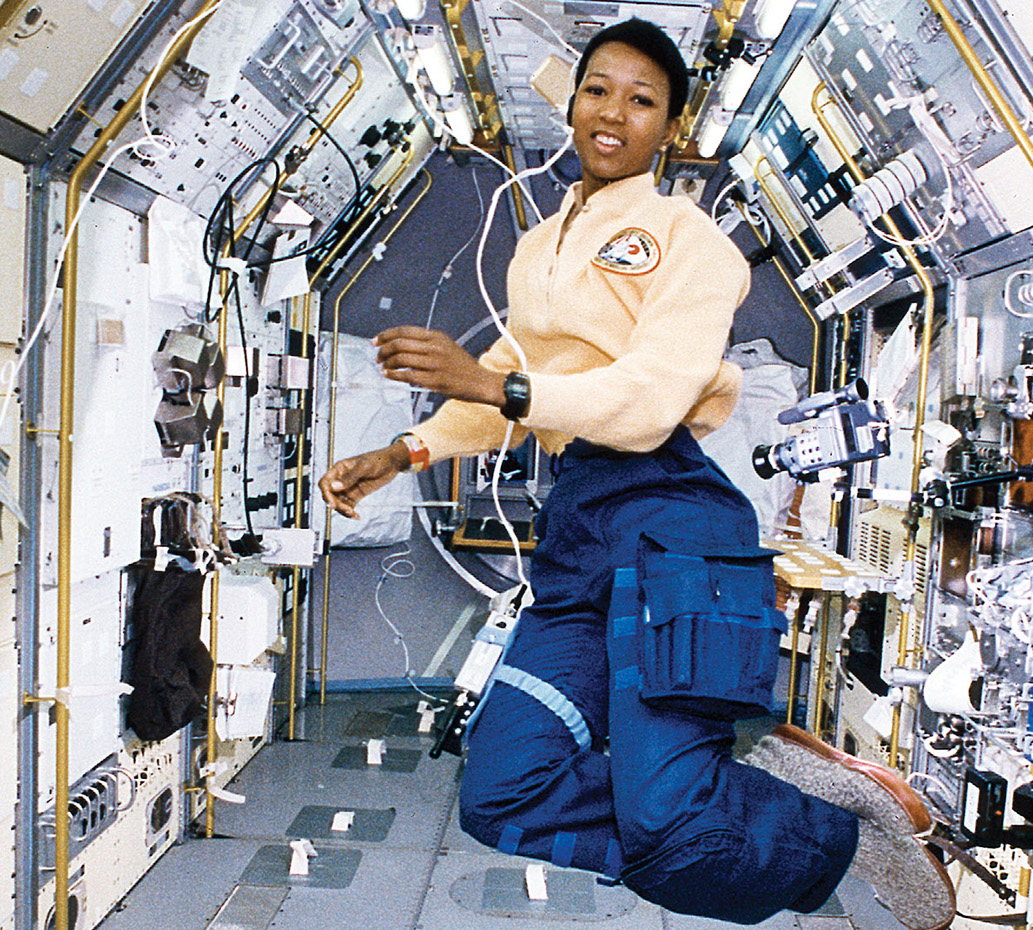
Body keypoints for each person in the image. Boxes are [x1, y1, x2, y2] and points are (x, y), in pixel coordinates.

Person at [319, 18, 953, 929]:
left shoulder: (693, 244)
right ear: (572, 101)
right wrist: (402, 452)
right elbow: (515, 366)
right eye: (597, 90)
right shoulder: (542, 251)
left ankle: (841, 831)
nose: (613, 113)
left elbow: (649, 398)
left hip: (673, 520)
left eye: (642, 100)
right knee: (499, 796)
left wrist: (496, 383)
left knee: (672, 828)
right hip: (580, 528)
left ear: (673, 131)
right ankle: (735, 794)